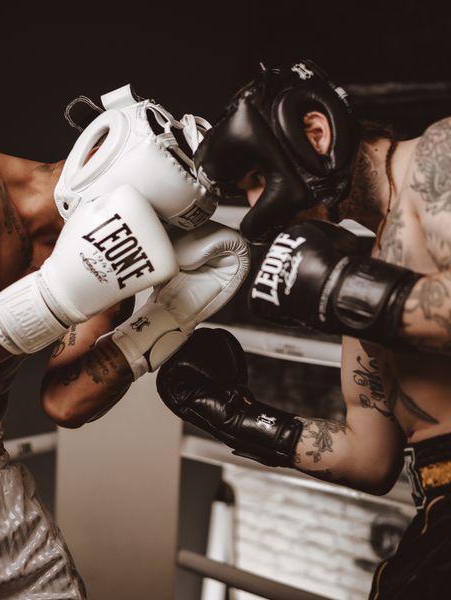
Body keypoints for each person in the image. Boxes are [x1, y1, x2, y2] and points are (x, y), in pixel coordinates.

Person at [157, 60, 451, 598]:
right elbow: (371, 460)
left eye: (256, 179)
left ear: (315, 133)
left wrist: (342, 290)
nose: (255, 206)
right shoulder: (362, 266)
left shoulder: (438, 156)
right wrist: (240, 418)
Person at [0, 83, 250, 599]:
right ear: (97, 146)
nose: (136, 228)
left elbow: (66, 402)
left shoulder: (115, 257)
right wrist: (55, 297)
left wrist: (169, 316)